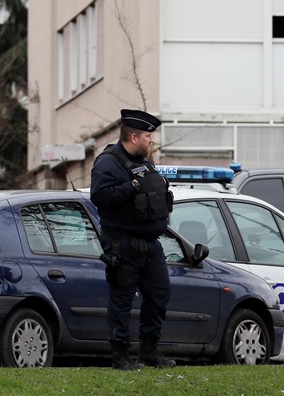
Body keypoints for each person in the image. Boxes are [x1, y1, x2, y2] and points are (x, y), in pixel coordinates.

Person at [90, 109, 175, 371]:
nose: (152, 141)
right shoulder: (108, 163)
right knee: (122, 300)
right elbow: (100, 197)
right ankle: (121, 356)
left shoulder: (144, 161)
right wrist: (131, 187)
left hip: (150, 244)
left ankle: (149, 351)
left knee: (159, 294)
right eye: (148, 136)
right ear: (134, 137)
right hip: (123, 243)